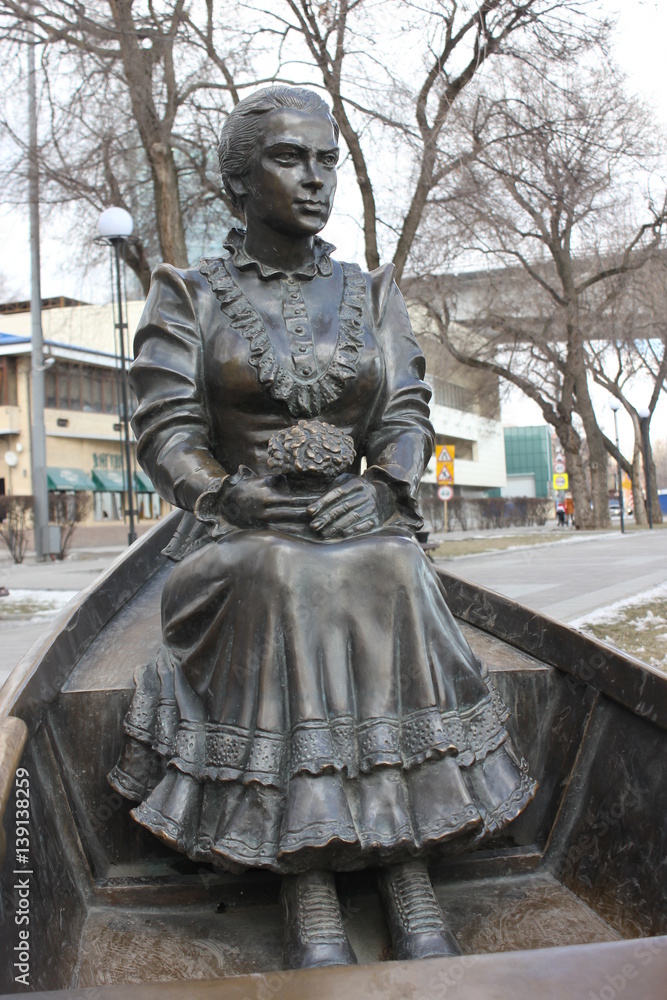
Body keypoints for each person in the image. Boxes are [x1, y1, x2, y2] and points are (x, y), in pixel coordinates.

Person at [109, 86, 536, 970]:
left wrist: (384, 488)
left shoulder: (370, 291)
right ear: (238, 180)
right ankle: (306, 879)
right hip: (235, 542)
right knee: (282, 574)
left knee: (389, 566)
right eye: (290, 159)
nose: (315, 179)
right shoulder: (184, 293)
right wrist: (227, 497)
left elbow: (406, 411)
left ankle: (404, 861)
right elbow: (166, 430)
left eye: (326, 160)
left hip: (358, 525)